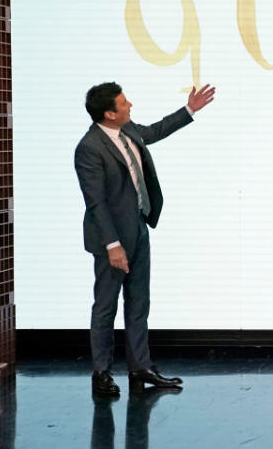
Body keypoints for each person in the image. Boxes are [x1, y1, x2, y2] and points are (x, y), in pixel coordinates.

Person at [75, 82, 215, 396]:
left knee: (139, 304)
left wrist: (190, 109)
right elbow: (95, 202)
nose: (130, 105)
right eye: (124, 103)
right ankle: (101, 374)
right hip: (112, 241)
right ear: (109, 114)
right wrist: (113, 245)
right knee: (106, 308)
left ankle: (141, 368)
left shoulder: (129, 131)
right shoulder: (90, 148)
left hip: (138, 229)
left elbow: (156, 131)